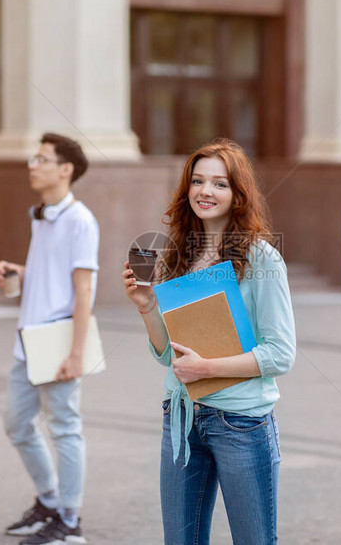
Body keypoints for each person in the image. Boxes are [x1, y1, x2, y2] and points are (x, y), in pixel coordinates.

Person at [122, 138, 295, 545]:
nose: (206, 191)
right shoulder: (177, 256)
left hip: (240, 422)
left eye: (219, 183)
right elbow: (168, 355)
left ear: (238, 195)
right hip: (182, 418)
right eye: (198, 181)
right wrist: (146, 304)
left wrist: (207, 368)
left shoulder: (261, 258)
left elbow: (281, 353)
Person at [0, 133, 99, 545]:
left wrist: (77, 354)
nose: (32, 165)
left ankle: (69, 521)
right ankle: (50, 501)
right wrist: (17, 272)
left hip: (57, 340)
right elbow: (50, 274)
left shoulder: (79, 220)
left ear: (65, 169)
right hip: (28, 340)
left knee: (65, 428)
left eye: (41, 159)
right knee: (17, 424)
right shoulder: (41, 215)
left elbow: (84, 289)